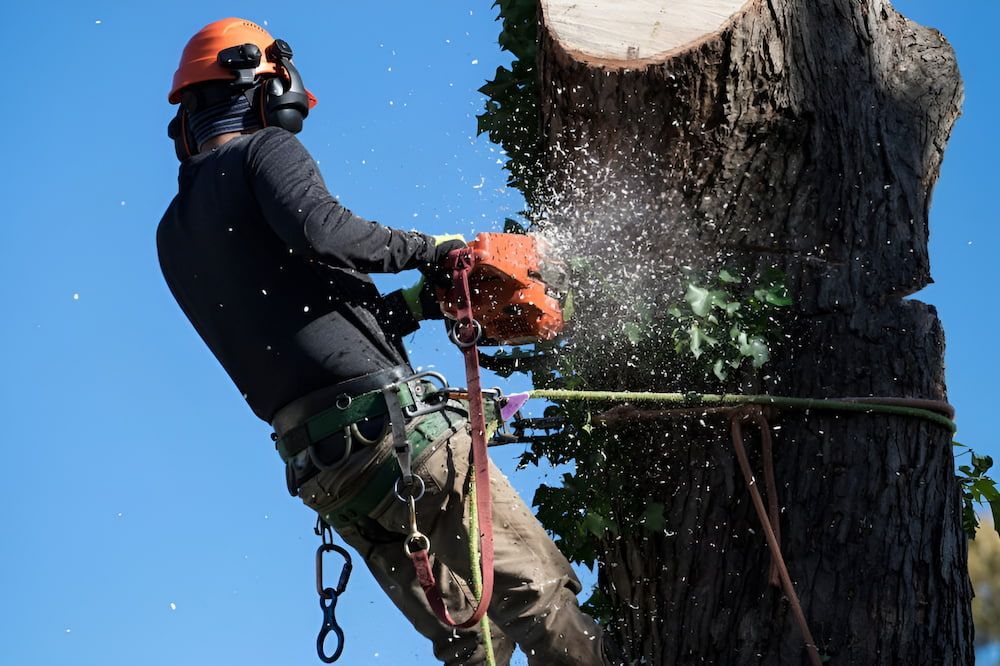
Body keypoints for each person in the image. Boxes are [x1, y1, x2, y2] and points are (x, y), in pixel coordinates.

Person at [157, 17, 607, 666]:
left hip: (334, 477)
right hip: (401, 445)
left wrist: (414, 307)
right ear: (262, 86)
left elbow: (302, 328)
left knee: (473, 644)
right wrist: (435, 250)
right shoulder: (264, 153)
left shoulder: (173, 235)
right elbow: (325, 230)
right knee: (538, 599)